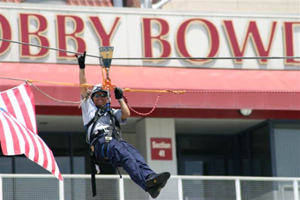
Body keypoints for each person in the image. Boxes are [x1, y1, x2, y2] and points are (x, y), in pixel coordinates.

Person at [76, 52, 170, 199]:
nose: (100, 97)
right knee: (126, 157)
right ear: (92, 98)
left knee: (135, 155)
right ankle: (146, 185)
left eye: (103, 95)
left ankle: (151, 178)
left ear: (107, 98)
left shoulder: (111, 112)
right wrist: (82, 66)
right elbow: (83, 87)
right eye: (97, 95)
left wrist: (120, 99)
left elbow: (126, 114)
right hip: (101, 143)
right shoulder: (89, 109)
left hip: (115, 142)